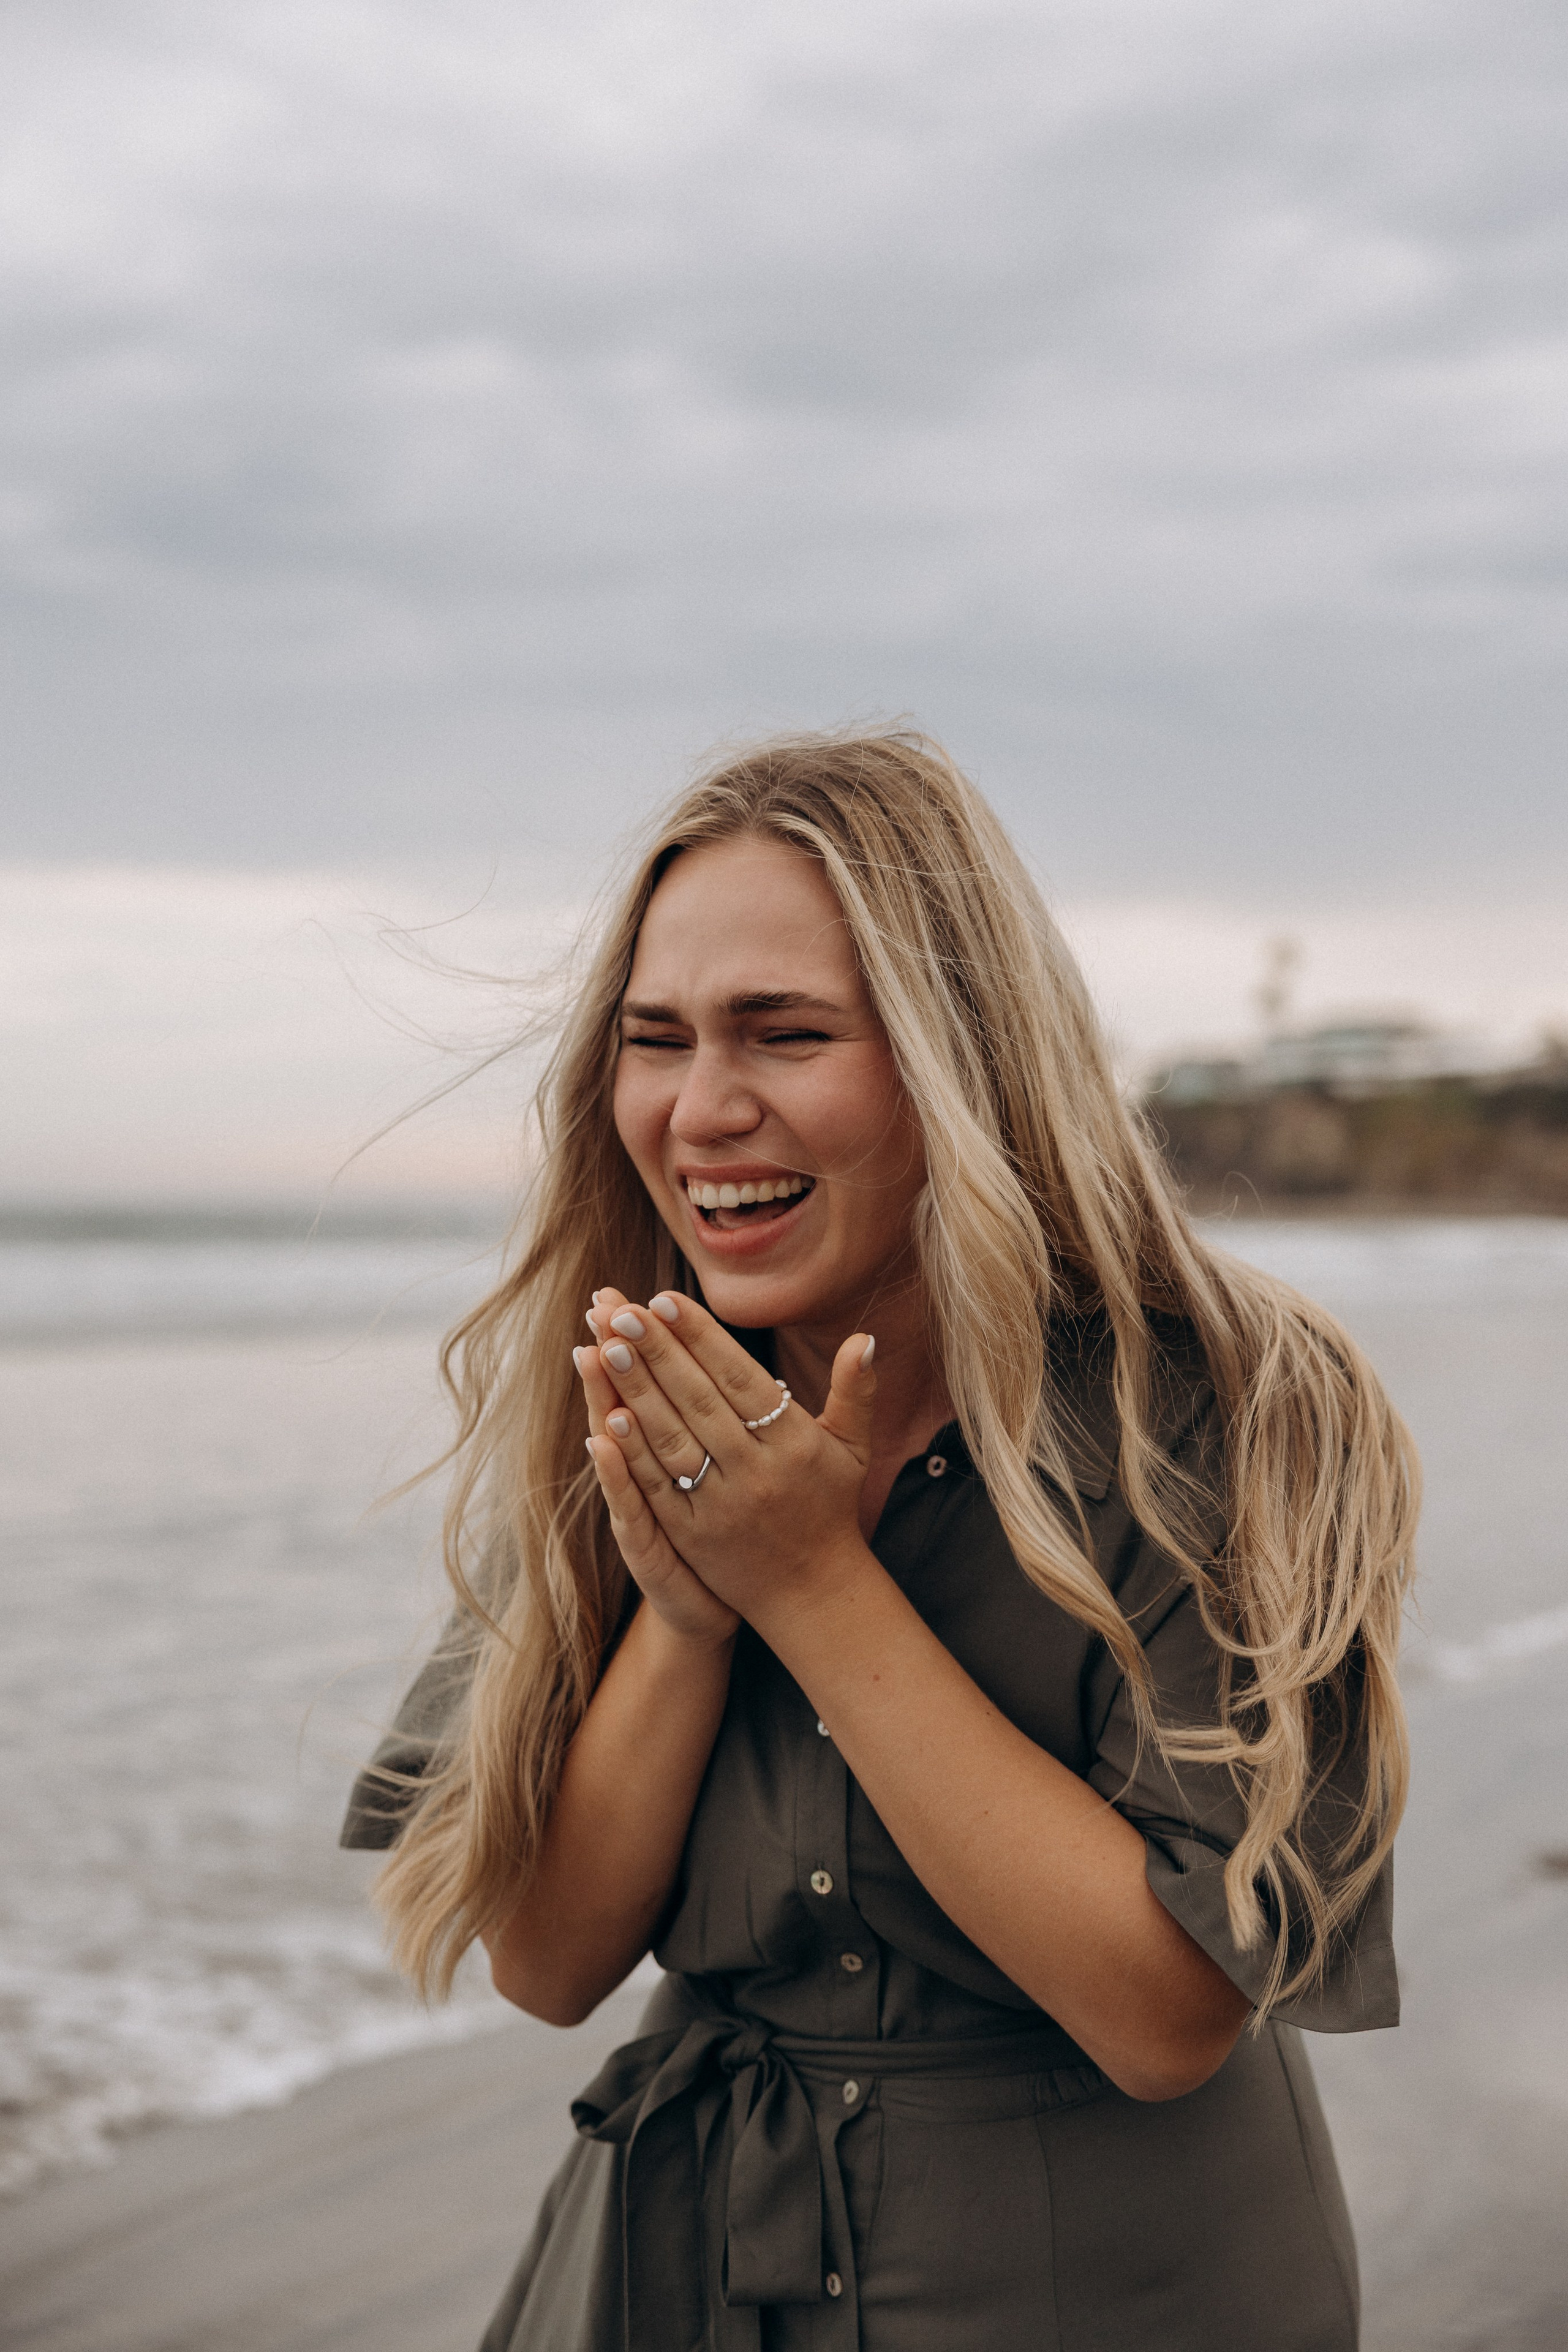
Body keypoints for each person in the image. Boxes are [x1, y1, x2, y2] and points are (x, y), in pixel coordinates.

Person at [342, 730, 1417, 2351]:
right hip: (679, 2275)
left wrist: (813, 1582)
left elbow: (1166, 2014)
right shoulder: (619, 1396)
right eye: (656, 1039)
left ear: (960, 1059)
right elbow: (549, 1961)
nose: (703, 1110)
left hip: (1113, 2293)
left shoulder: (1235, 1407)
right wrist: (692, 1620)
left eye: (785, 1033)